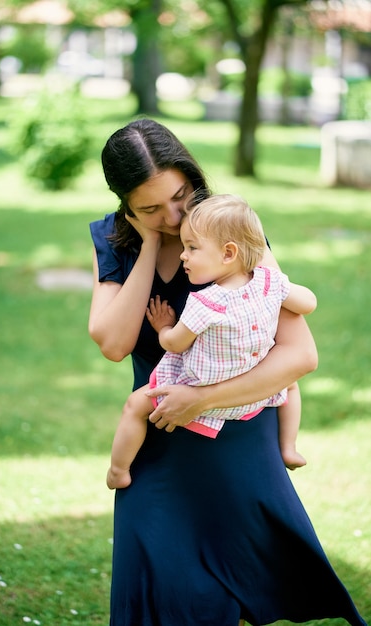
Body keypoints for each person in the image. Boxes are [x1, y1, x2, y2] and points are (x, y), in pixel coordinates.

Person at [89, 118, 366, 626]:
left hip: (237, 427)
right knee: (159, 579)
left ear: (191, 175)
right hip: (158, 432)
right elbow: (113, 343)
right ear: (125, 205)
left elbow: (300, 355)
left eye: (180, 196)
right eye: (150, 208)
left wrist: (204, 398)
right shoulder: (114, 240)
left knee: (234, 584)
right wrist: (147, 245)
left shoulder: (231, 230)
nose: (174, 216)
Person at [106, 194, 315, 490]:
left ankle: (118, 470)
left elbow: (174, 345)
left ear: (228, 253)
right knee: (290, 385)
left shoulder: (207, 303)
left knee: (134, 406)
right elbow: (308, 302)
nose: (183, 255)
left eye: (191, 247)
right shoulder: (270, 281)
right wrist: (287, 290)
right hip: (254, 395)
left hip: (197, 391)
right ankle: (289, 446)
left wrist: (164, 326)